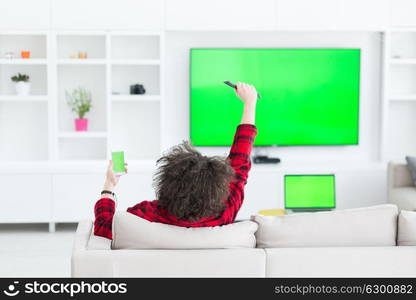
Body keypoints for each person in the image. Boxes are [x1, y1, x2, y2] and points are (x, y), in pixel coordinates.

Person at [94, 82, 258, 239]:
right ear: (218, 190)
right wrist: (249, 104)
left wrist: (109, 185)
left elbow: (103, 227)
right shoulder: (224, 213)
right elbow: (239, 163)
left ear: (165, 183)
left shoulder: (144, 217)